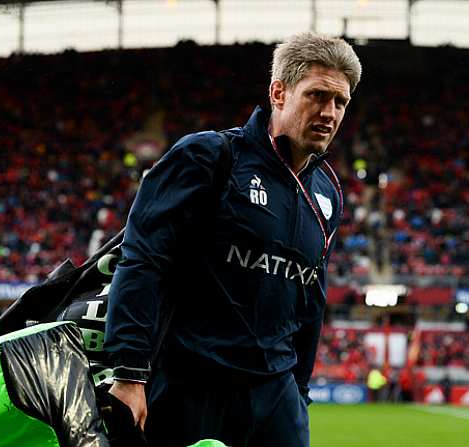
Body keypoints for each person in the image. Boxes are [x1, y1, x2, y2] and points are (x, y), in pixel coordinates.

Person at [103, 32, 361, 447]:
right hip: (193, 384)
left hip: (276, 396)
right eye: (316, 96)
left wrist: (300, 391)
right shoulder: (209, 157)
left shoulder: (328, 194)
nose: (329, 112)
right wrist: (130, 373)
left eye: (340, 102)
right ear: (279, 92)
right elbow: (144, 261)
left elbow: (311, 297)